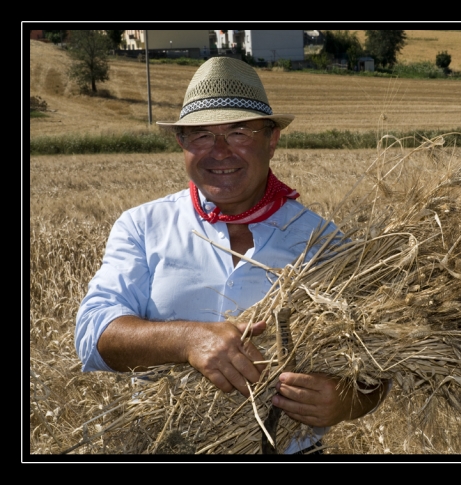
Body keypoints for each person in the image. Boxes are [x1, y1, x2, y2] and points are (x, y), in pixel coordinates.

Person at [75, 57, 388, 454]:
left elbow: (380, 365)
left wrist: (347, 401)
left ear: (271, 138)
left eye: (239, 132)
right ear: (182, 142)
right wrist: (189, 340)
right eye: (201, 135)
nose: (219, 152)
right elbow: (92, 335)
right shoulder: (143, 226)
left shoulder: (324, 242)